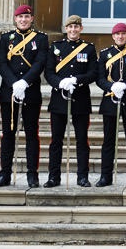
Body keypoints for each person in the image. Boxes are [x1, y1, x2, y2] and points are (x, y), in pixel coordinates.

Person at [0, 4, 48, 188]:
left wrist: (24, 82)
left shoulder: (40, 39)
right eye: (20, 17)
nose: (23, 20)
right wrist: (14, 83)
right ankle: (5, 174)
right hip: (9, 92)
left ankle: (33, 174)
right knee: (7, 134)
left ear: (32, 19)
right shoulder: (6, 38)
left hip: (30, 92)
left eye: (27, 17)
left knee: (32, 134)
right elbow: (1, 63)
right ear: (15, 19)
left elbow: (39, 63)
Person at [43, 15, 96, 187]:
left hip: (80, 100)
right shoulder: (56, 47)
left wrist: (76, 80)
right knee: (56, 141)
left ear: (81, 29)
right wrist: (60, 83)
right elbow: (49, 72)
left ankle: (82, 176)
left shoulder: (88, 49)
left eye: (76, 27)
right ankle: (54, 176)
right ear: (66, 29)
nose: (73, 30)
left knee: (82, 140)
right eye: (70, 27)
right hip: (59, 99)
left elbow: (93, 73)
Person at [96, 22, 126, 187]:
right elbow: (99, 78)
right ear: (113, 36)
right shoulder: (105, 54)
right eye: (117, 34)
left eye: (123, 34)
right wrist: (111, 87)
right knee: (108, 141)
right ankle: (105, 176)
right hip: (110, 100)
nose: (120, 37)